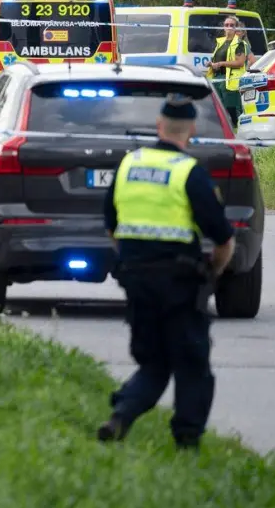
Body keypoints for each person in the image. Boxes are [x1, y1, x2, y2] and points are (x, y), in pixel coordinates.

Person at [97, 96, 236, 451]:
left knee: (155, 363)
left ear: (159, 126)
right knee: (192, 364)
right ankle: (187, 442)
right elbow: (224, 239)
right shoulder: (189, 173)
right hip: (180, 284)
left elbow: (111, 225)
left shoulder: (129, 164)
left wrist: (132, 262)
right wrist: (213, 273)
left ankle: (121, 416)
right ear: (190, 131)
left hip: (136, 280)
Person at [207, 15, 254, 126]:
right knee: (219, 108)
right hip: (216, 79)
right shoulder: (220, 42)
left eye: (232, 25)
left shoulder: (240, 43)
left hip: (229, 80)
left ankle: (236, 130)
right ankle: (224, 130)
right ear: (223, 27)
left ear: (236, 28)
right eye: (226, 25)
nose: (228, 27)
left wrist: (221, 64)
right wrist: (211, 64)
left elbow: (240, 62)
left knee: (231, 109)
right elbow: (217, 59)